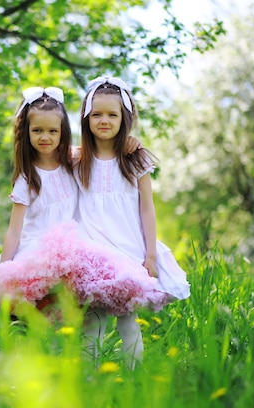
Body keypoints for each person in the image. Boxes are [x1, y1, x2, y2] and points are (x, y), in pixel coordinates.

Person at [74, 76, 191, 368]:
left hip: (127, 250)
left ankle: (133, 377)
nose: (104, 120)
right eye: (97, 114)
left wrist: (150, 254)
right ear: (86, 117)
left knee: (128, 320)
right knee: (93, 322)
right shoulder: (76, 160)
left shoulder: (134, 159)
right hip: (93, 254)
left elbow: (147, 208)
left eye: (112, 114)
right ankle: (90, 380)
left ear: (124, 118)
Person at [0, 86, 79, 319]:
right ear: (26, 132)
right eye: (37, 130)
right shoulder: (27, 177)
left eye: (52, 131)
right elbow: (14, 230)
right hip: (36, 250)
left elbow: (106, 153)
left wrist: (130, 143)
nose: (45, 137)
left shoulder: (73, 162)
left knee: (66, 313)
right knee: (34, 314)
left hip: (71, 251)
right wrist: (4, 271)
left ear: (62, 132)